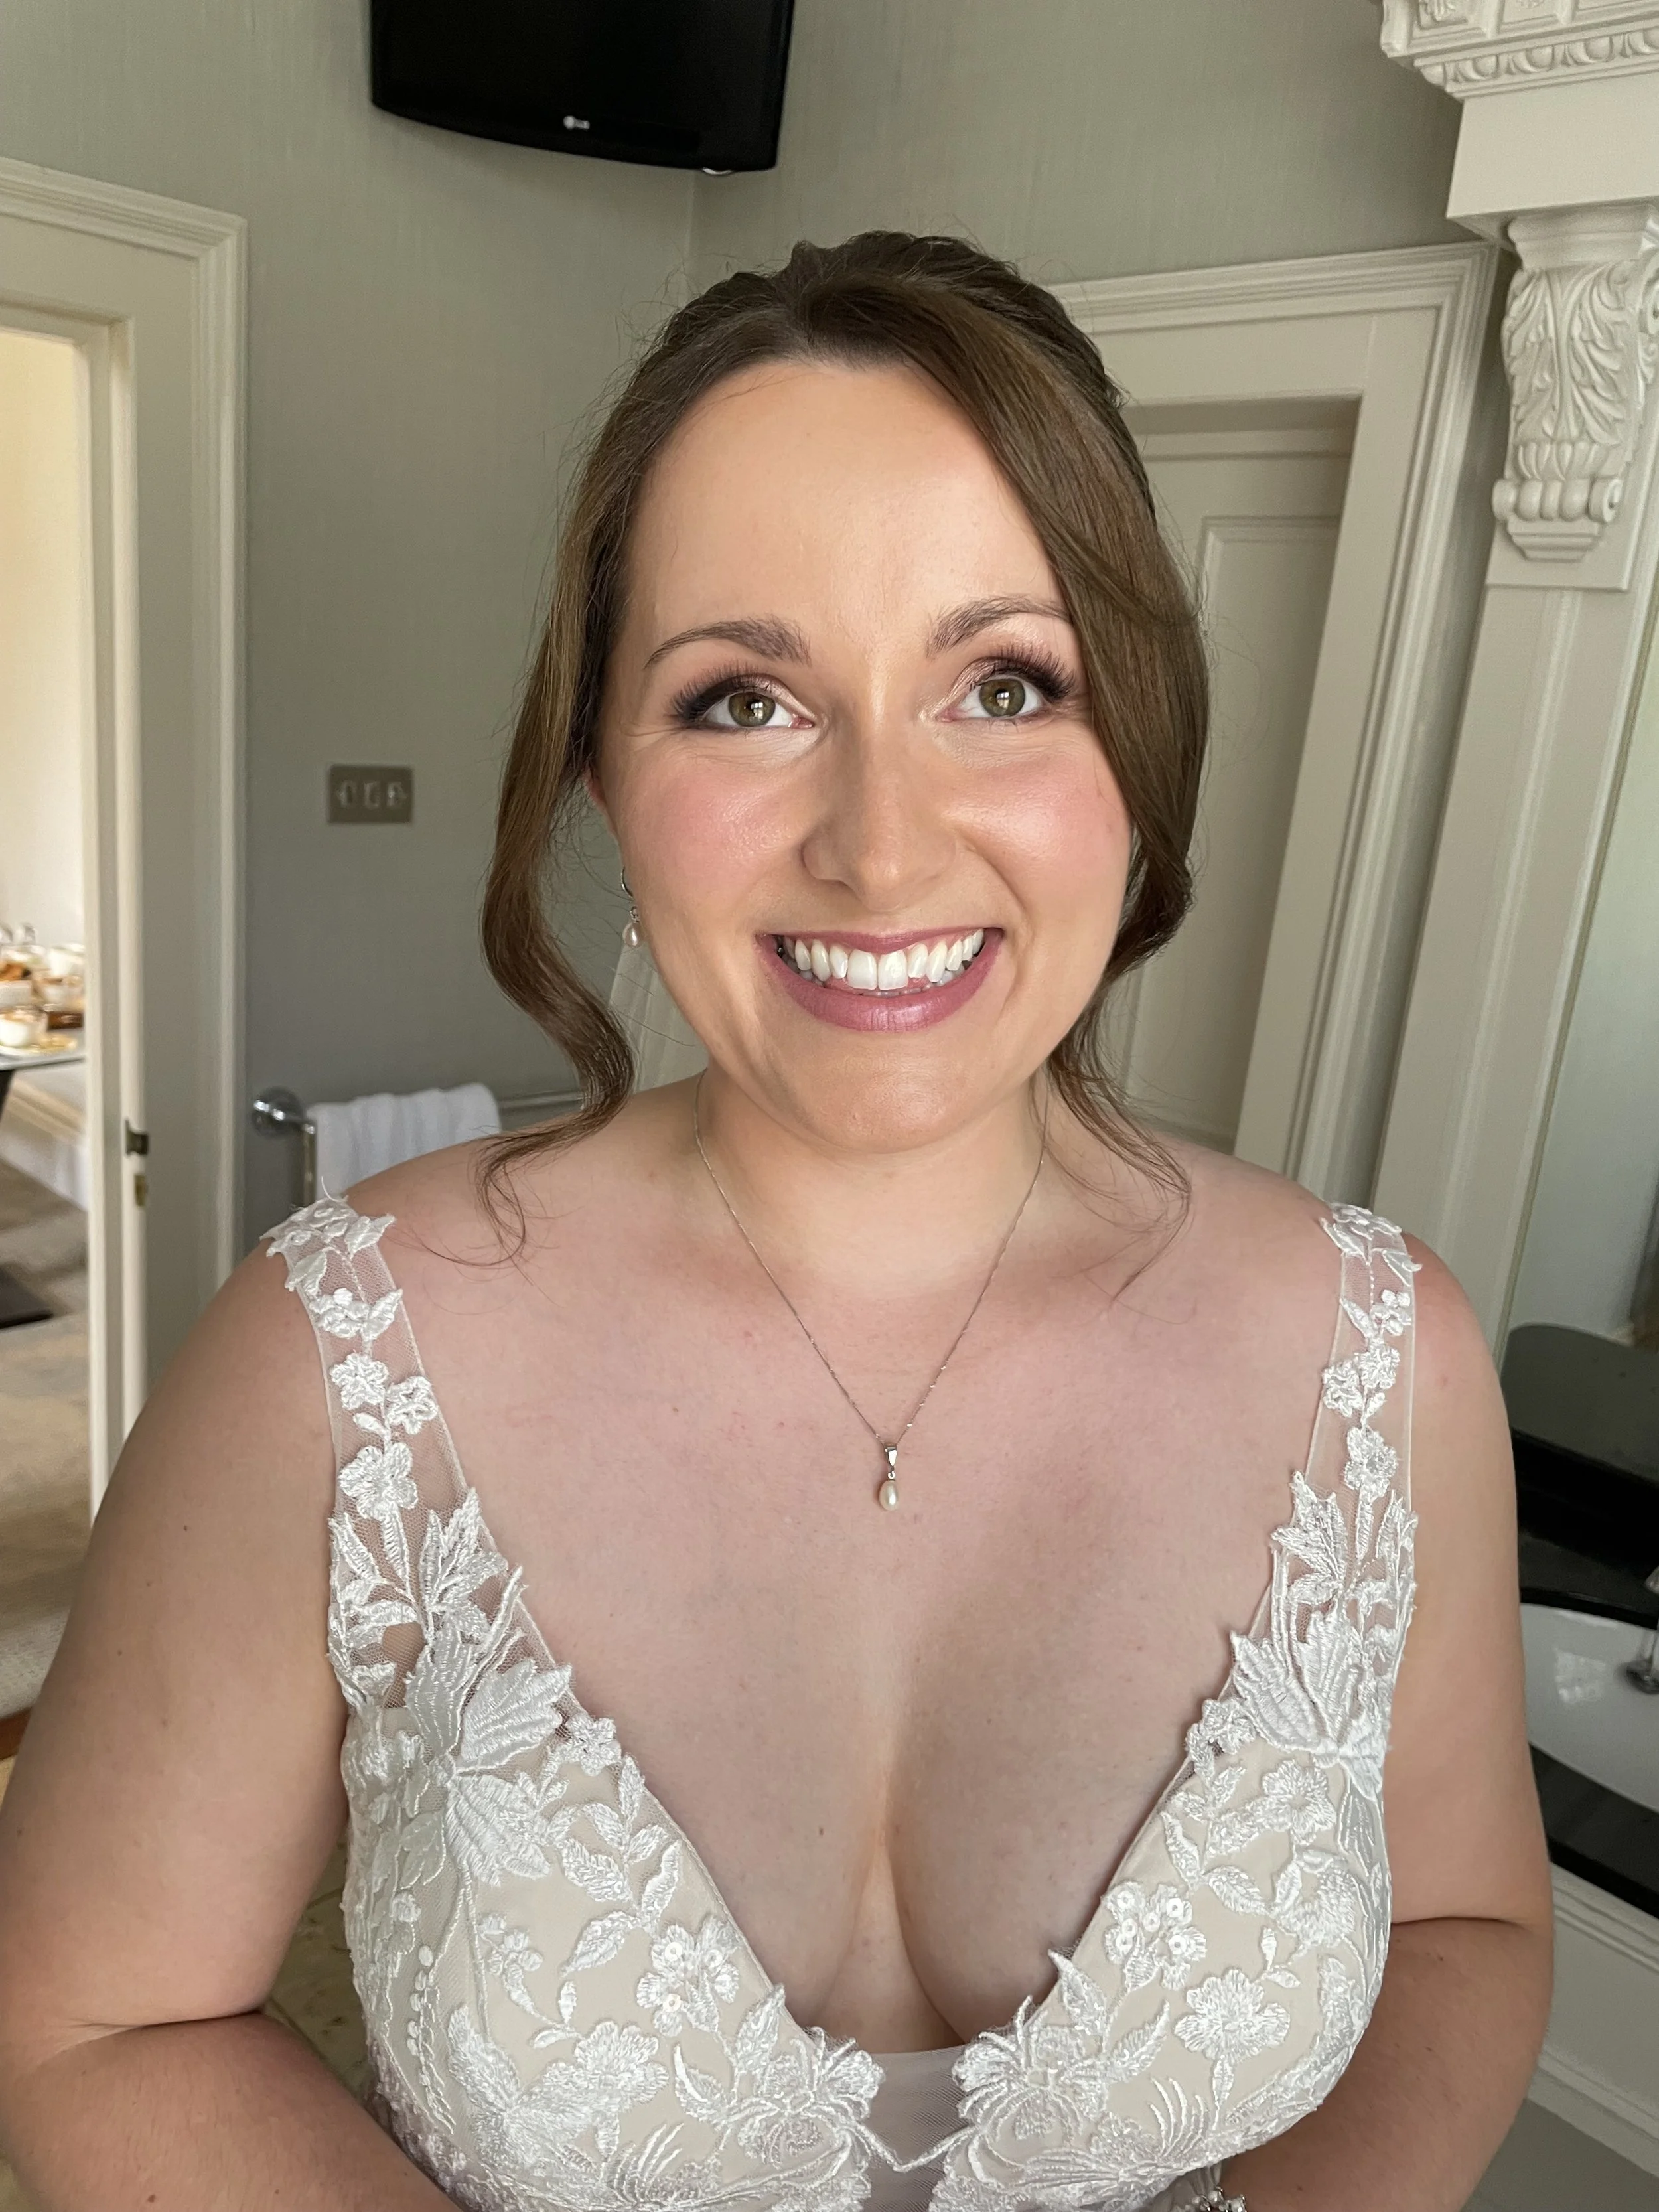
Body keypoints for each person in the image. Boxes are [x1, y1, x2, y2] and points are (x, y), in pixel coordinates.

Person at [0, 233, 1550, 2212]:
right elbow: (98, 2021)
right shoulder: (331, 1361)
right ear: (600, 774)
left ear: (1135, 756)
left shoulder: (1382, 1357)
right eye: (743, 699)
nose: (881, 843)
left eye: (1005, 682)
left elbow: (1470, 1931)